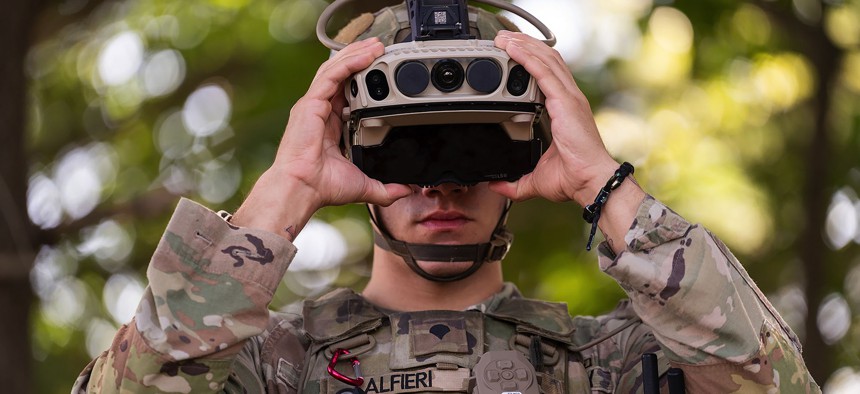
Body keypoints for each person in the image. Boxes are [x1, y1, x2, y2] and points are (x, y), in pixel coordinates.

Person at [73, 2, 819, 393]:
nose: (441, 182)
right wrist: (286, 191)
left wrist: (604, 184)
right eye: (406, 146)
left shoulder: (611, 363)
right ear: (350, 147)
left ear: (529, 149)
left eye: (473, 147)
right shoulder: (269, 365)